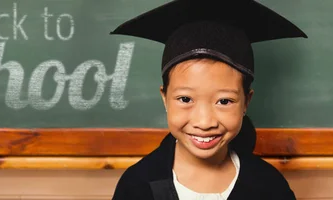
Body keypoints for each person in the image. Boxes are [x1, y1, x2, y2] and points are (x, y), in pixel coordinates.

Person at [110, 0, 307, 199]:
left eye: (224, 101)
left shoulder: (269, 187)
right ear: (165, 98)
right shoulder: (137, 186)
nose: (204, 122)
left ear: (246, 102)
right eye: (185, 99)